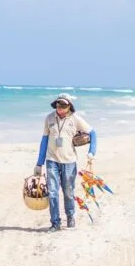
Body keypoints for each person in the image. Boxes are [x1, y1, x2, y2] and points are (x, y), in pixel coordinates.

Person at [33, 93, 97, 232]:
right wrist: (39, 163)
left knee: (68, 192)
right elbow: (44, 141)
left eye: (63, 105)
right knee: (53, 192)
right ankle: (55, 223)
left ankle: (70, 216)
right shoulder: (49, 118)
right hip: (52, 161)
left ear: (69, 106)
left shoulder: (75, 119)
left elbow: (93, 133)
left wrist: (91, 152)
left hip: (69, 162)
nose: (60, 108)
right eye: (58, 105)